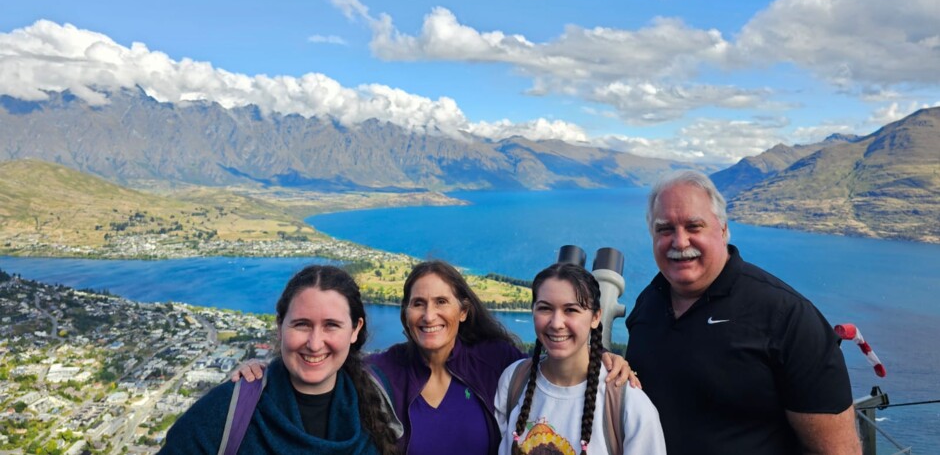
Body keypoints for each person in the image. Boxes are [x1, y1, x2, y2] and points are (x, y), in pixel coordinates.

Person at [235, 260, 636, 454]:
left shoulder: (497, 362)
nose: (429, 315)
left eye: (441, 302)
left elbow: (555, 369)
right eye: (417, 304)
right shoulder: (382, 371)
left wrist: (605, 360)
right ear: (405, 313)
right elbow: (320, 370)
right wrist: (263, 373)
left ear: (463, 310)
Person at [625, 170, 861, 455]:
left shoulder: (787, 317)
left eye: (694, 226)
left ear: (723, 229)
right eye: (665, 229)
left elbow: (837, 451)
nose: (680, 241)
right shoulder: (647, 305)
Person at [160, 265, 400, 454]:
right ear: (280, 326)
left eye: (331, 325)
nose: (315, 344)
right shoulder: (224, 412)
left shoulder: (377, 396)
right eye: (302, 324)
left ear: (355, 329)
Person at [495, 263, 666, 455]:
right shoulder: (514, 381)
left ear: (595, 317)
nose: (557, 323)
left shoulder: (628, 405)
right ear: (533, 310)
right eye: (545, 308)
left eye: (571, 310)